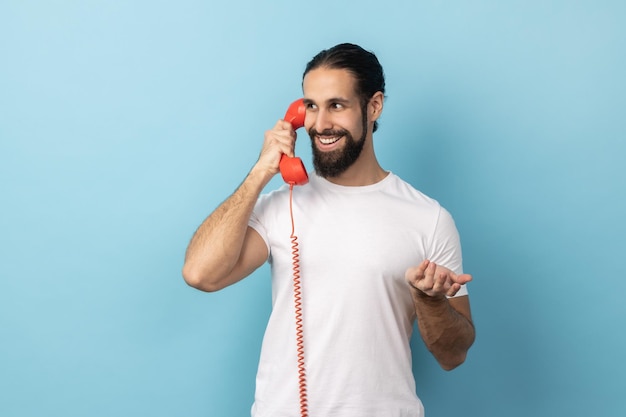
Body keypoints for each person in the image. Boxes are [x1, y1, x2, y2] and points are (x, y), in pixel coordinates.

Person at [182, 43, 475, 417]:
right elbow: (199, 274)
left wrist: (431, 301)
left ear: (373, 106)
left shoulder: (429, 218)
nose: (319, 124)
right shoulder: (281, 205)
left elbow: (454, 354)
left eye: (337, 105)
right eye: (311, 106)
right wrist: (260, 172)